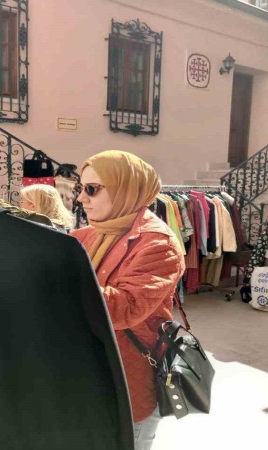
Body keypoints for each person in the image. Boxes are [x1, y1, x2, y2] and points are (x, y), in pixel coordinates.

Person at [71, 150, 185, 450]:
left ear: (126, 189)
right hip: (88, 372)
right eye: (80, 188)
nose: (81, 198)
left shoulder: (158, 244)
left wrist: (59, 280)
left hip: (129, 376)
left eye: (91, 189)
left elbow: (125, 308)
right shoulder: (86, 236)